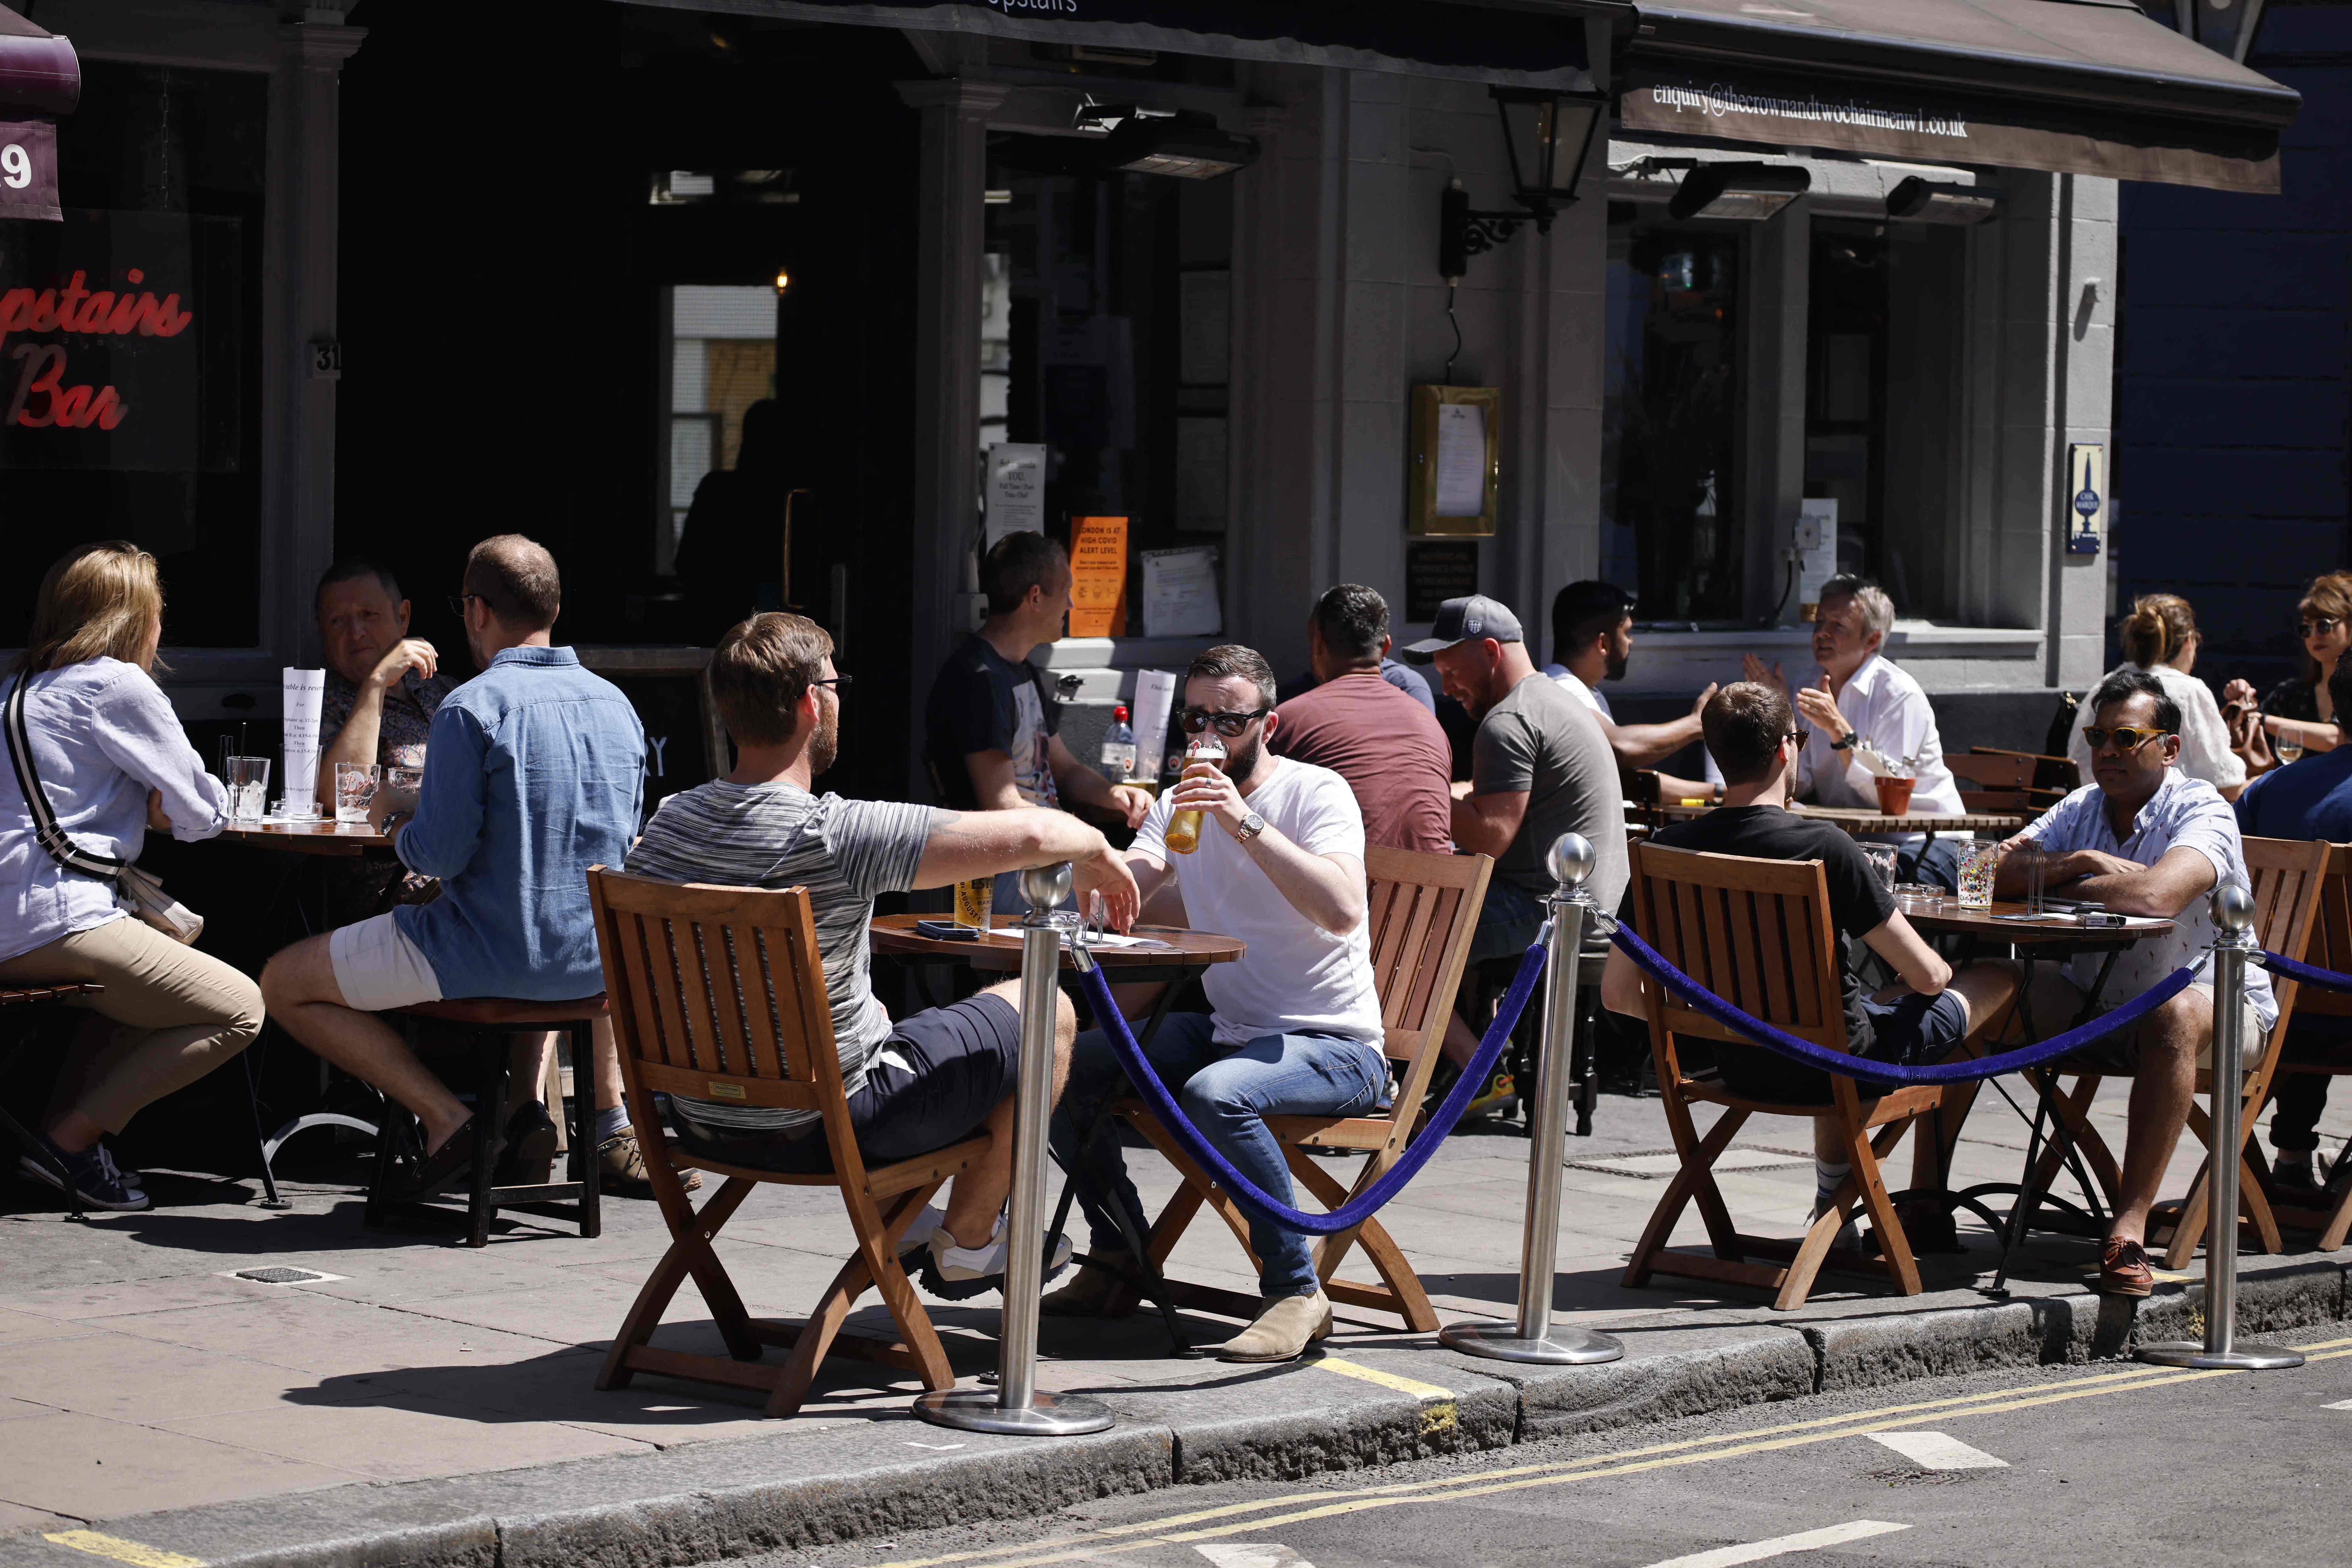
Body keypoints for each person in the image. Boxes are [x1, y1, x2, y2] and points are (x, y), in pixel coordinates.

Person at [625, 613, 1139, 1289]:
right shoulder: (837, 833)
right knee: (1046, 1011)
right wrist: (1098, 848)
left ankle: (915, 1218)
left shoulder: (666, 825)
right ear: (811, 703)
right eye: (835, 685)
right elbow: (1036, 835)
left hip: (700, 1121)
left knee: (905, 1029)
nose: (840, 699)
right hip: (830, 1122)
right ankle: (970, 1239)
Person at [260, 536, 657, 1199]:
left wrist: (400, 822)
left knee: (281, 981)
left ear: (475, 612)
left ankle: (449, 1120)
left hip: (483, 951)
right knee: (530, 921)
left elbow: (439, 857)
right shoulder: (618, 706)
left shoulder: (471, 706)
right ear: (555, 607)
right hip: (592, 963)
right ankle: (549, 1116)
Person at [1045, 645, 1389, 1362]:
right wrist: (1091, 864)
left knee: (1216, 1094)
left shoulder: (1315, 793)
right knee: (1054, 1066)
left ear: (1267, 724)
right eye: (1195, 719)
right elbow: (1127, 890)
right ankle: (1121, 1252)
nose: (1207, 737)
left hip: (1335, 1045)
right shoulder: (1179, 804)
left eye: (1227, 722)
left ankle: (1296, 1291)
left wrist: (1243, 822)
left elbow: (1343, 909)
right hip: (1231, 1030)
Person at [1598, 683, 2016, 1242]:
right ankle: (1896, 1201)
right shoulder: (1825, 846)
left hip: (1738, 1064)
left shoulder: (1663, 849)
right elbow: (1929, 976)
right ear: (1785, 749)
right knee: (1998, 976)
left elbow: (1617, 995)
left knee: (1860, 1009)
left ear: (1717, 752)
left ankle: (1836, 1205)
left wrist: (1717, 1014)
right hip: (1838, 1068)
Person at [1993, 669, 2277, 1297]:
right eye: (2099, 737)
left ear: (2169, 748)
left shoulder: (2201, 807)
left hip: (2218, 1008)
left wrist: (2056, 883)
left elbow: (2156, 896)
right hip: (2099, 999)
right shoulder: (2081, 806)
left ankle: (2128, 1228)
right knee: (1984, 987)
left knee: (2171, 1014)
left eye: (2126, 738)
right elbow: (1988, 873)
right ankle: (1926, 1203)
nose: (2106, 752)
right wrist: (2080, 861)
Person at [0, 543, 264, 1213]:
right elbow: (202, 814)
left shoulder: (13, 691)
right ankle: (69, 1142)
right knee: (242, 1008)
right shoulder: (116, 685)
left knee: (154, 979)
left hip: (15, 923)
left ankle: (59, 1151)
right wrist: (161, 802)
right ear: (136, 618)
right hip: (59, 917)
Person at [1403, 595, 1628, 1069]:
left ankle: (1476, 1070)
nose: (1446, 688)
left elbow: (1490, 836)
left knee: (1398, 934)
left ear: (1490, 652)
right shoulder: (1554, 700)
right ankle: (1476, 1048)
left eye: (1452, 671)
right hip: (1597, 908)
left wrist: (1416, 788)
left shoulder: (1507, 720)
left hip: (1549, 913)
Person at [924, 532, 1151, 909]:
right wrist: (1084, 839)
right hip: (1002, 873)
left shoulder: (1021, 670)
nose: (1072, 604)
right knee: (1160, 896)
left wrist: (1113, 795)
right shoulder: (978, 682)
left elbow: (1066, 770)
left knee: (1167, 880)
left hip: (1048, 857)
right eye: (1066, 592)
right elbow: (1002, 806)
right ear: (1035, 598)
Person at [1742, 575, 1965, 890]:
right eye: (1820, 622)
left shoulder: (1897, 694)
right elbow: (1800, 784)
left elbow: (1892, 795)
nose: (1822, 633)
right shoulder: (1808, 683)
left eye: (1839, 626)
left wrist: (1839, 731)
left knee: (1853, 887)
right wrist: (1781, 717)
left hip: (1925, 841)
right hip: (1856, 844)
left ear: (1872, 640)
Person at [2232, 657, 2352, 1198]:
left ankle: (2292, 1155)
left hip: (2269, 1009)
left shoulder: (2268, 790)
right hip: (2337, 1015)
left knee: (2313, 969)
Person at [310, 558, 458, 916]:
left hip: (471, 874)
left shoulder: (447, 691)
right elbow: (344, 796)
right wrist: (376, 683)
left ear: (403, 617)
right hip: (401, 894)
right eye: (338, 621)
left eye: (369, 615)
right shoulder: (317, 701)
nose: (356, 632)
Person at [1268, 584, 1451, 855]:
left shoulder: (1290, 720)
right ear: (1386, 647)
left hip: (1352, 880)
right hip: (1438, 881)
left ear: (1319, 644)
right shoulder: (1429, 722)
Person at [1546, 579, 1717, 803]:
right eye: (1626, 633)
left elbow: (1626, 782)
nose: (1631, 642)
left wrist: (1717, 793)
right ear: (1603, 644)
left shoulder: (1584, 692)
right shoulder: (1561, 689)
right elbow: (1620, 747)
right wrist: (1695, 725)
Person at [2070, 595, 2245, 798]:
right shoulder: (2189, 691)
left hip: (2093, 804)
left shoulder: (2105, 685)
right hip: (2163, 811)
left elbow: (2078, 765)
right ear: (2189, 641)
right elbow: (2226, 783)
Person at [673, 399, 795, 645]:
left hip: (716, 622)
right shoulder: (791, 499)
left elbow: (687, 562)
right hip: (729, 623)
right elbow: (688, 562)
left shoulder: (718, 489)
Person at [2225, 570, 2352, 772]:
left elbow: (2338, 739)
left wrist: (2264, 720)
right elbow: (2250, 732)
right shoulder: (2291, 695)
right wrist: (2243, 702)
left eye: (2324, 626)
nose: (2314, 635)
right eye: (2306, 629)